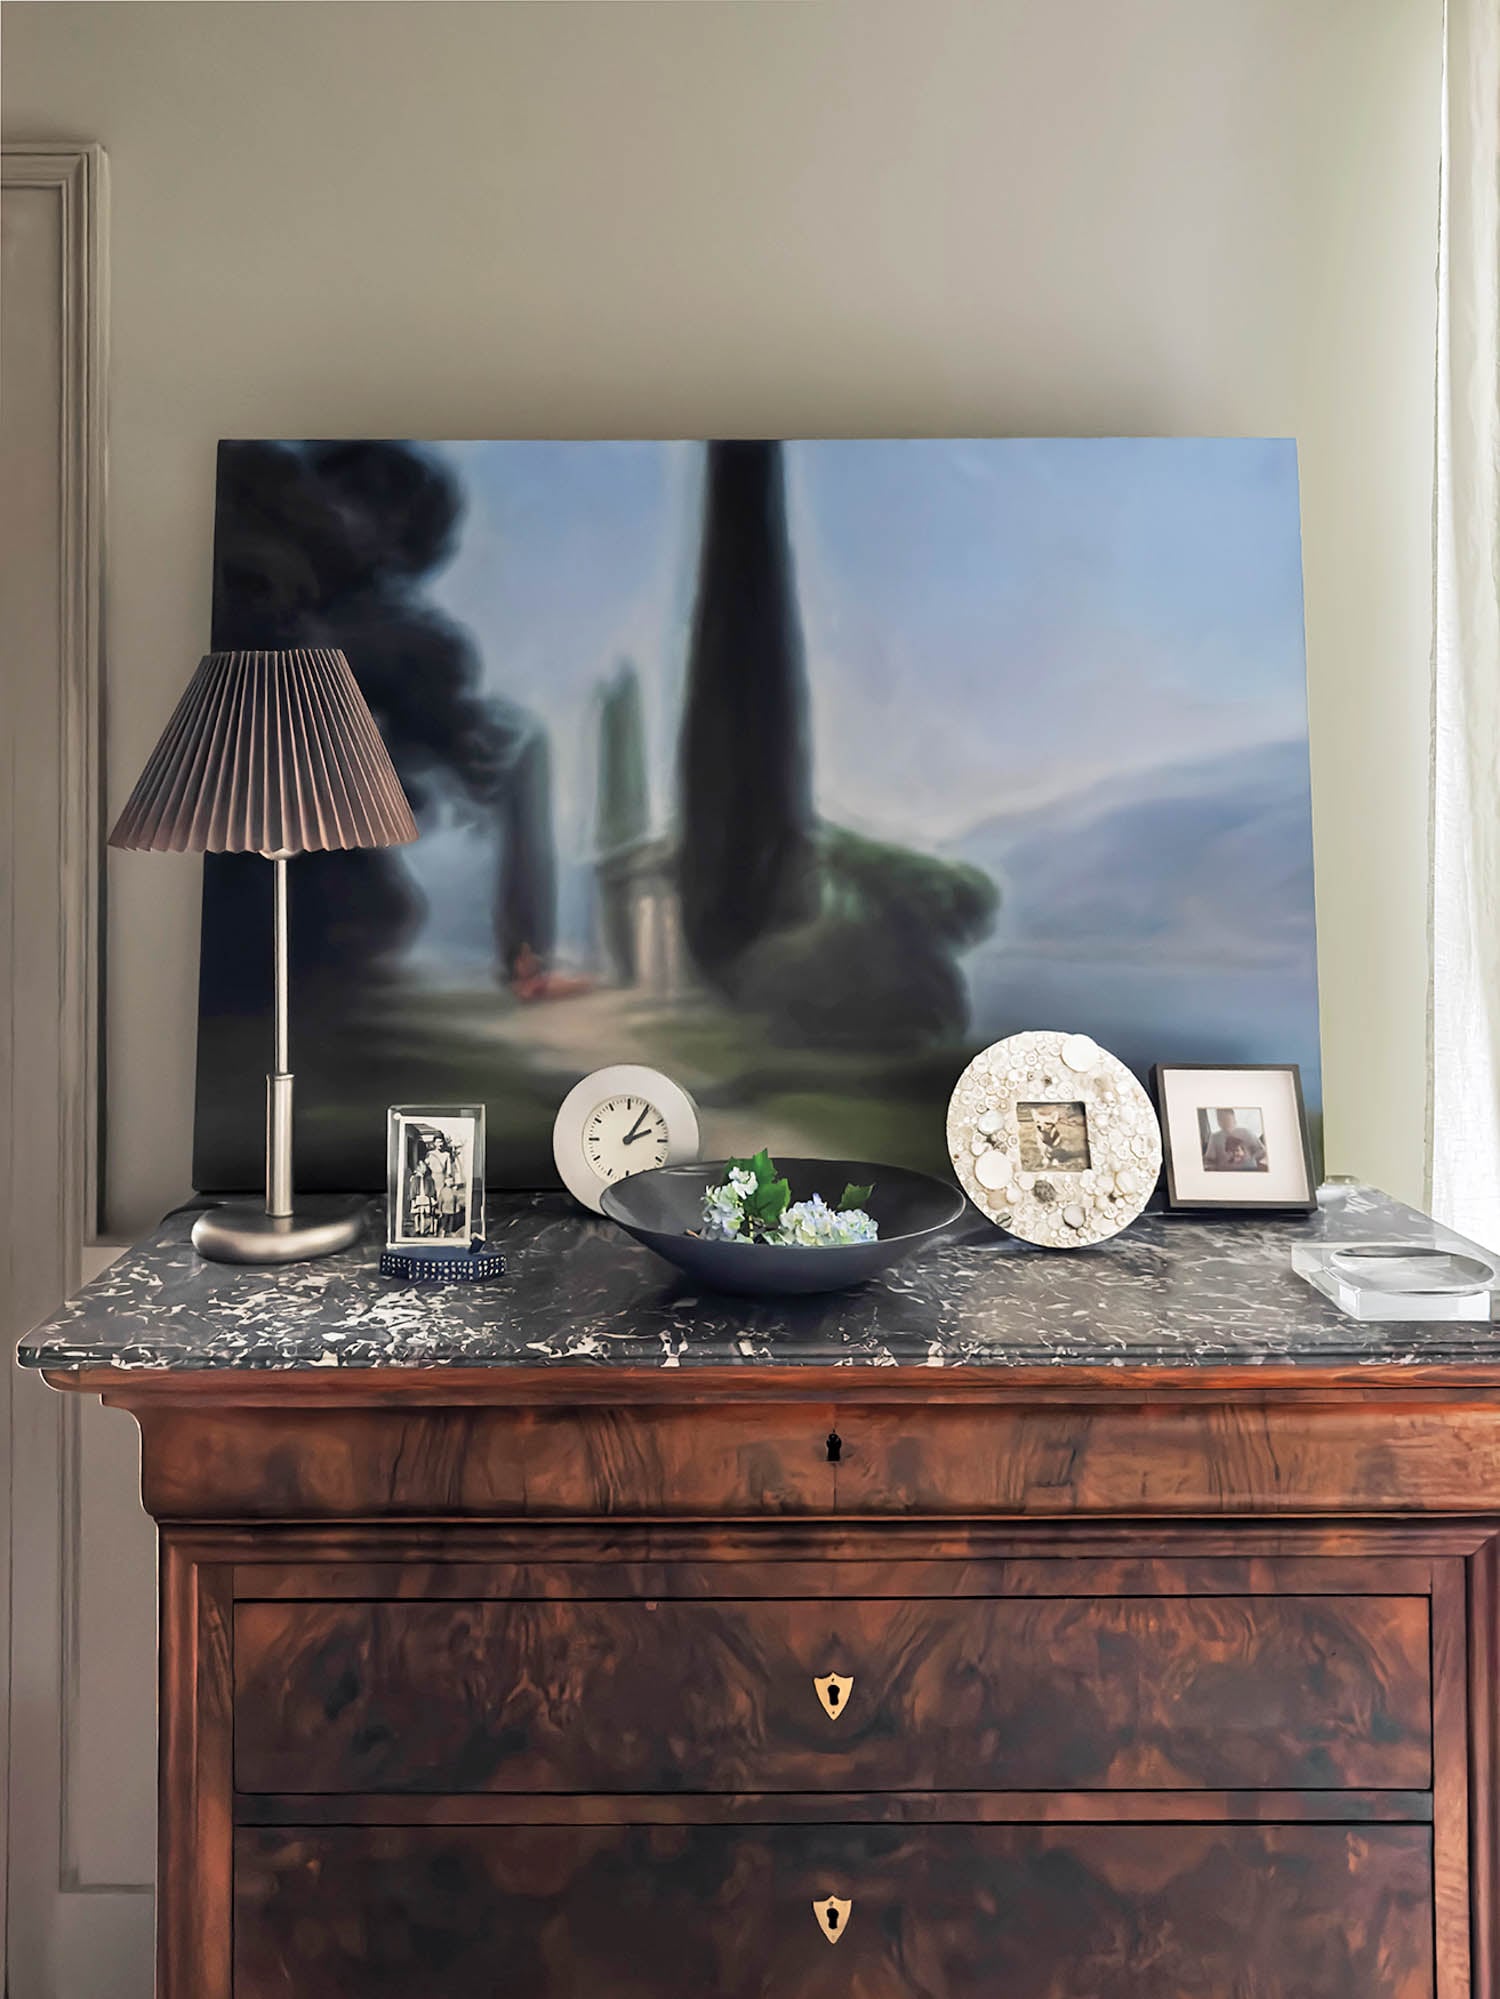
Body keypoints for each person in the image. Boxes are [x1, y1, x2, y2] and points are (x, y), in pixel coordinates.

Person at [1202, 1107, 1267, 1172]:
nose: (1224, 1121)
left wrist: (1249, 1159)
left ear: (1234, 1119)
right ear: (1218, 1122)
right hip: (1225, 1174)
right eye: (1221, 1119)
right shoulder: (1214, 1137)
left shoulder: (1246, 1132)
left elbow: (1262, 1151)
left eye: (1227, 1119)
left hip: (1249, 1171)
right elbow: (1209, 1160)